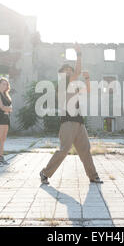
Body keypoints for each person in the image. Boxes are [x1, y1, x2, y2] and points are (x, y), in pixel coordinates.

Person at [40, 43, 103, 185]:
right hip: (68, 122)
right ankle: (44, 173)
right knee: (63, 151)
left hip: (79, 122)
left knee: (85, 150)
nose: (68, 71)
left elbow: (87, 90)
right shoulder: (62, 83)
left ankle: (93, 176)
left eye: (70, 70)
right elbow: (77, 72)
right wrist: (79, 54)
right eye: (66, 70)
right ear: (61, 73)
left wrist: (87, 79)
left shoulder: (73, 85)